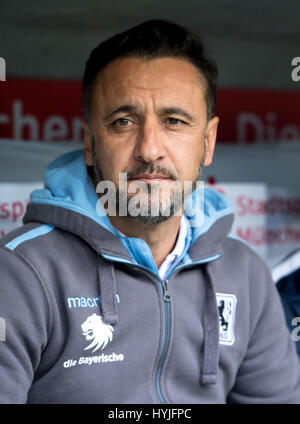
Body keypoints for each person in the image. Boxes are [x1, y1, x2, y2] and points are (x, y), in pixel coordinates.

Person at [0, 19, 300, 404]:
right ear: (90, 142)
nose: (150, 149)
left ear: (207, 143)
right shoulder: (19, 274)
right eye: (123, 122)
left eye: (174, 121)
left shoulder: (244, 273)